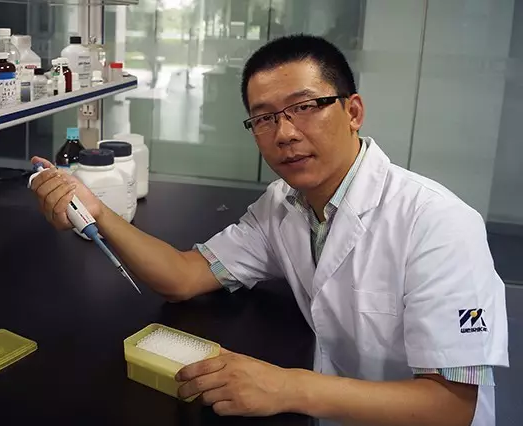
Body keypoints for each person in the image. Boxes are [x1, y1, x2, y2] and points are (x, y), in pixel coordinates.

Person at [30, 35, 509, 426]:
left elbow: (452, 406)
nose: (285, 133)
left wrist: (287, 387)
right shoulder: (284, 205)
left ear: (353, 112)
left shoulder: (438, 224)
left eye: (306, 107)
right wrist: (98, 211)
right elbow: (182, 276)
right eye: (264, 118)